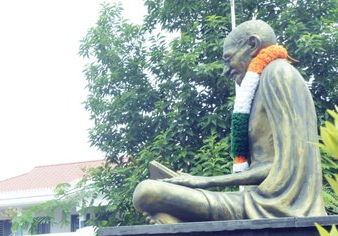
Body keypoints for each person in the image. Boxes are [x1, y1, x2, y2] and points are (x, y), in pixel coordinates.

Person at [133, 19, 325, 223]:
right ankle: (176, 227)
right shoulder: (262, 83)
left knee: (147, 192)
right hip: (256, 201)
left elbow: (287, 164)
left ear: (252, 45)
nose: (226, 70)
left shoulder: (278, 73)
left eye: (228, 59)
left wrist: (204, 182)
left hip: (275, 207)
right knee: (156, 199)